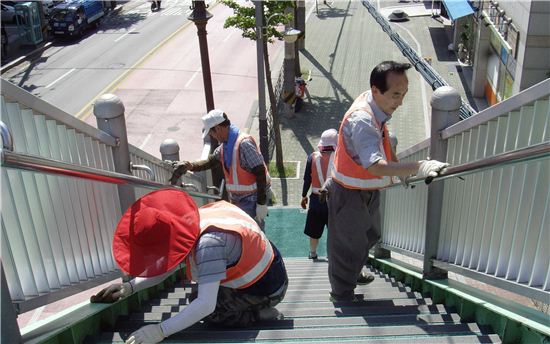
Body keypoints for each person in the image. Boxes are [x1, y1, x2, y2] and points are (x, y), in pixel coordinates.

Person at [91, 189, 288, 344]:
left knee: (207, 308)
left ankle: (258, 313)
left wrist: (160, 331)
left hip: (268, 288)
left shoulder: (209, 244)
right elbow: (168, 266)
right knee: (199, 296)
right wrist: (130, 287)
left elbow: (205, 305)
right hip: (267, 268)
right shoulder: (192, 220)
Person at [325, 60, 449, 302]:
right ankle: (341, 295)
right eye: (395, 95)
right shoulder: (362, 119)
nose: (400, 101)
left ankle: (352, 273)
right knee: (348, 244)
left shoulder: (374, 105)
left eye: (403, 94)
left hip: (366, 188)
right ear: (375, 91)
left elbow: (382, 144)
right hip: (349, 191)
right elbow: (374, 165)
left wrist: (399, 171)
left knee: (370, 235)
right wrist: (418, 167)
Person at [170, 109, 271, 228]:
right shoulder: (226, 146)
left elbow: (260, 172)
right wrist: (190, 166)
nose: (212, 136)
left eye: (211, 133)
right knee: (249, 231)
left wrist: (261, 203)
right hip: (240, 200)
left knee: (252, 232)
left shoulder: (243, 144)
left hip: (252, 199)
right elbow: (211, 161)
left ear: (218, 128)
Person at [300, 129, 337, 260]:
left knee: (314, 230)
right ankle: (332, 255)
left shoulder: (312, 157)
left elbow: (307, 179)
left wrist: (304, 196)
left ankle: (312, 253)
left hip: (316, 199)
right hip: (334, 200)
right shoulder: (338, 158)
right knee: (334, 230)